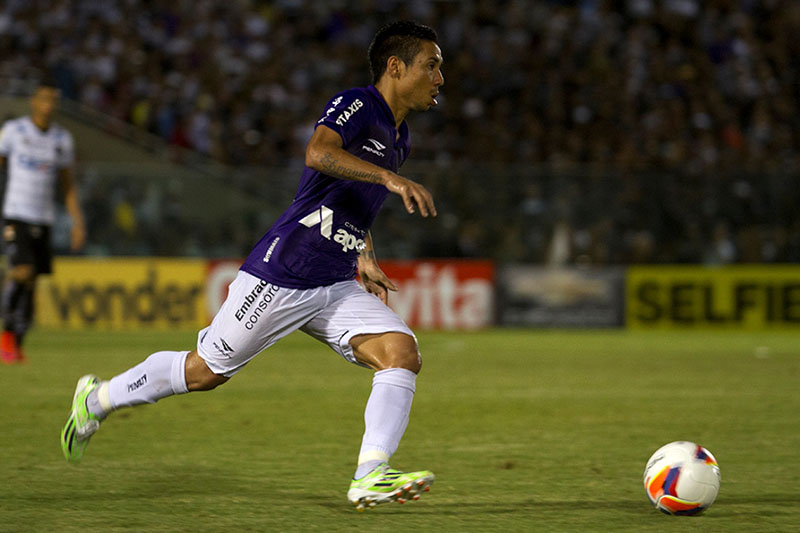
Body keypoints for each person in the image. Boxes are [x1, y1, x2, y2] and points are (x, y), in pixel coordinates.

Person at [60, 20, 444, 511]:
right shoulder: (358, 104)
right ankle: (96, 399)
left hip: (334, 282)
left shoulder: (399, 135)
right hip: (285, 271)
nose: (439, 78)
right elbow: (319, 153)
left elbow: (354, 199)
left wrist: (365, 255)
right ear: (396, 66)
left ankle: (370, 475)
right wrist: (390, 178)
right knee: (204, 373)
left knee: (401, 352)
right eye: (431, 65)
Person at [0, 80, 86, 364]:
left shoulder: (62, 140)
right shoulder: (14, 132)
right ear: (34, 102)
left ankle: (14, 343)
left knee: (32, 282)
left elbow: (68, 184)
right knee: (22, 272)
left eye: (54, 100)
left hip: (44, 217)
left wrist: (77, 220)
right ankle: (5, 335)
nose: (49, 106)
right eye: (44, 100)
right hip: (16, 212)